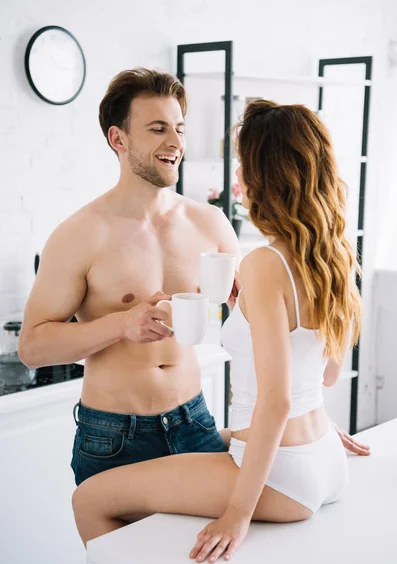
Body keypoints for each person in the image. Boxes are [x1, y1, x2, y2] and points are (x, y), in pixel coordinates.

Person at [71, 99, 371, 562]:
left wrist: (237, 513)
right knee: (190, 457)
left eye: (244, 165)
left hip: (284, 473)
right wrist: (247, 313)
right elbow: (323, 376)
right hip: (325, 458)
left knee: (88, 498)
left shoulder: (264, 264)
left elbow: (277, 401)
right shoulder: (334, 255)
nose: (238, 180)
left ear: (265, 175)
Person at [18, 68, 241, 486]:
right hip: (115, 436)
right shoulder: (79, 234)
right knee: (119, 555)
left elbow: (260, 328)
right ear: (118, 138)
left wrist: (302, 422)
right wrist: (123, 324)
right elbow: (32, 347)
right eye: (158, 129)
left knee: (207, 552)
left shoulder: (211, 223)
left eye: (179, 128)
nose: (175, 143)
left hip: (195, 419)